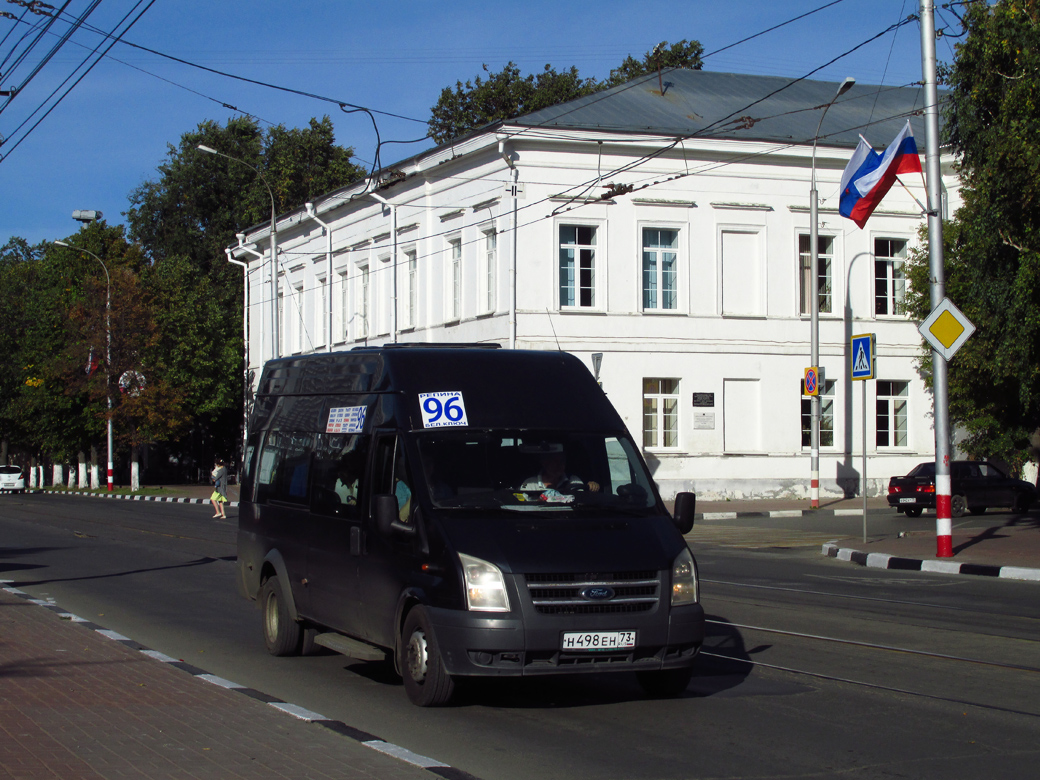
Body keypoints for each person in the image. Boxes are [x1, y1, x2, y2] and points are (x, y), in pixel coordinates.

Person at [520, 448, 600, 495]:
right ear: (545, 463)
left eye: (562, 461)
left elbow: (580, 503)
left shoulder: (573, 481)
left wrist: (592, 488)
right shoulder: (530, 484)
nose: (559, 465)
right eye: (555, 462)